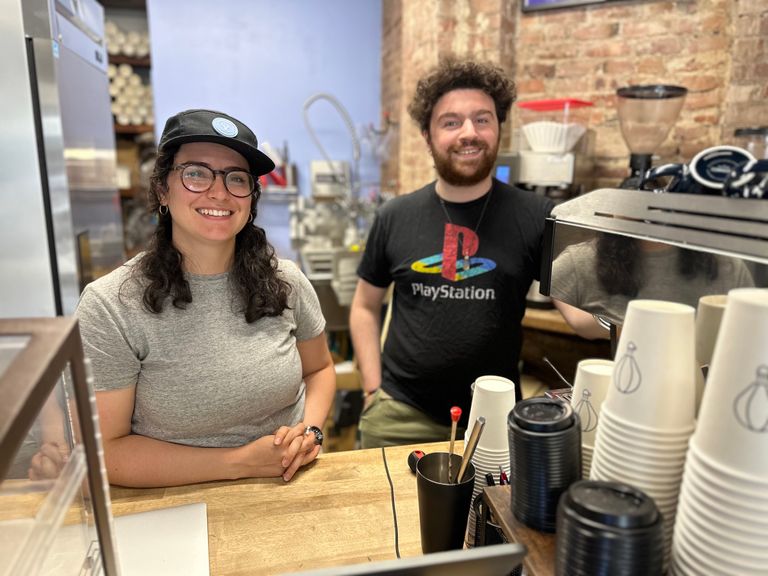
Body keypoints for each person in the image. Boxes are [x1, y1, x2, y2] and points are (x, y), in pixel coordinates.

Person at [76, 109, 335, 487]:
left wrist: (310, 432)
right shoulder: (111, 305)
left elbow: (320, 370)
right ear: (163, 189)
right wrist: (242, 462)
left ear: (251, 200)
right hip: (172, 504)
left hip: (293, 490)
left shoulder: (286, 282)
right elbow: (106, 453)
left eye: (237, 178)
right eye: (196, 173)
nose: (219, 192)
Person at [350, 58, 554, 448]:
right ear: (427, 136)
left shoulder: (537, 216)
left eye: (482, 119)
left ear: (498, 128)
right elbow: (364, 305)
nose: (469, 133)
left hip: (495, 416)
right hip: (400, 415)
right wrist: (373, 391)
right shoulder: (395, 215)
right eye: (450, 122)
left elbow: (582, 316)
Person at [551, 234, 754, 336]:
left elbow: (751, 334)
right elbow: (554, 286)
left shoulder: (727, 266)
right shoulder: (583, 258)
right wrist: (609, 326)